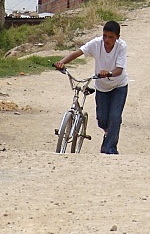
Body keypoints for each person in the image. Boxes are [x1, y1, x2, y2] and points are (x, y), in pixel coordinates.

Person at [54, 20, 128, 155]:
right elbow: (78, 53)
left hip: (119, 86)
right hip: (102, 86)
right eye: (105, 36)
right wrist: (61, 62)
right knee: (102, 120)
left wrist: (109, 73)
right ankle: (108, 132)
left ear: (117, 37)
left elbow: (119, 70)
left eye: (111, 37)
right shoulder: (96, 43)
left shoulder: (121, 47)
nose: (107, 40)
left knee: (115, 116)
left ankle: (109, 149)